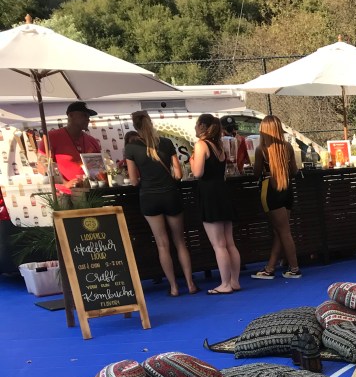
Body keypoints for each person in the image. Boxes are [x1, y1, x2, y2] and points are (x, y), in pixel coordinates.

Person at [125, 111, 197, 296]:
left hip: (149, 198)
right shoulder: (165, 143)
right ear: (150, 122)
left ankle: (173, 287)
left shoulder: (131, 148)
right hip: (170, 195)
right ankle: (190, 283)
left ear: (135, 126)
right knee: (180, 242)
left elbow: (133, 181)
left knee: (162, 245)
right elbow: (178, 174)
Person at [191, 113, 240, 294]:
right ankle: (234, 281)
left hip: (209, 194)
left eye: (196, 124)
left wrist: (192, 160)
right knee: (229, 242)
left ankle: (225, 284)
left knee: (219, 244)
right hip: (222, 192)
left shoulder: (201, 145)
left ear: (202, 126)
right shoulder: (219, 145)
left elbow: (198, 173)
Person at [250, 115, 301, 280]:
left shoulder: (261, 150)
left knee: (283, 231)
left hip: (270, 191)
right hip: (287, 190)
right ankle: (270, 268)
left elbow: (256, 173)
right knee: (281, 230)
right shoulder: (288, 147)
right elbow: (294, 171)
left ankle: (294, 268)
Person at [36, 101, 101, 194]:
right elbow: (42, 166)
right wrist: (65, 183)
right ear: (71, 115)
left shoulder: (92, 141)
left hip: (93, 193)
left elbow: (99, 169)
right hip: (66, 194)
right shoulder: (52, 137)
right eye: (84, 115)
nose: (88, 119)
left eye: (88, 116)